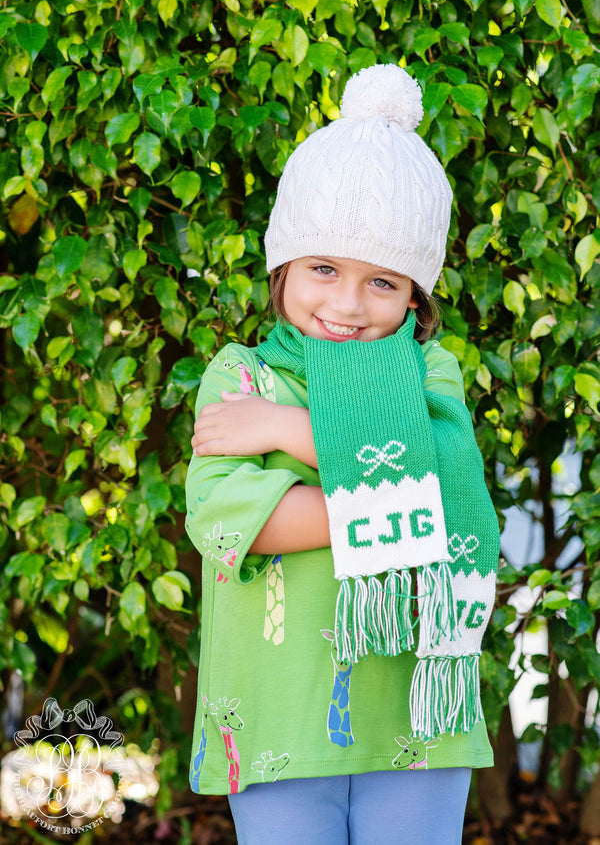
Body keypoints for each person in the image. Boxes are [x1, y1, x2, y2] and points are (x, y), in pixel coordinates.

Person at [185, 64, 500, 845]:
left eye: (383, 282)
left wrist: (286, 433)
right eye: (324, 268)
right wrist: (398, 499)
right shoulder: (241, 377)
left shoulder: (428, 372)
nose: (348, 304)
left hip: (417, 717)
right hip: (278, 717)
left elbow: (440, 484)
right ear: (283, 265)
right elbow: (231, 523)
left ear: (416, 296)